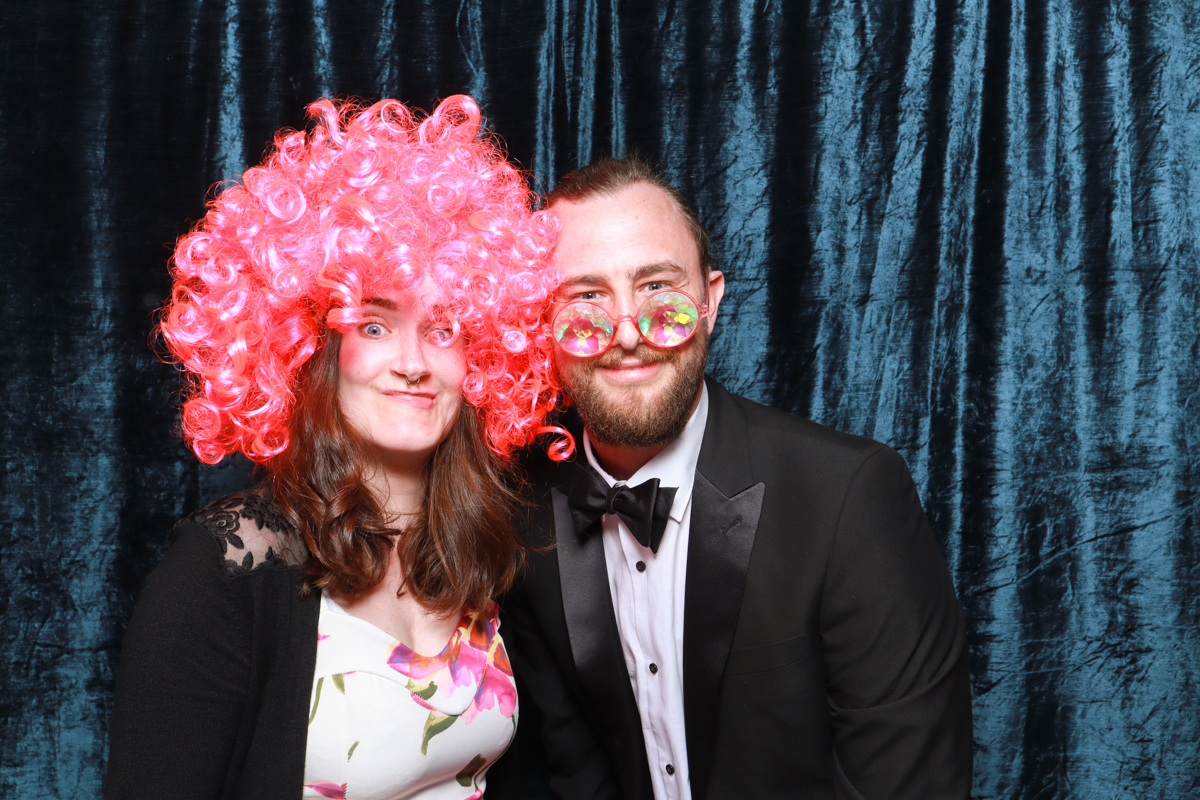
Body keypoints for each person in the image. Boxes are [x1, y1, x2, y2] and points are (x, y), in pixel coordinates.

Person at [104, 96, 565, 800]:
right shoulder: (226, 566)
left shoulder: (480, 550)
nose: (413, 362)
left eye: (443, 328)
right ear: (313, 348)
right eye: (375, 327)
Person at [486, 156, 974, 800]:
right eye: (585, 299)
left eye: (659, 288)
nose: (628, 333)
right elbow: (577, 768)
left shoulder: (849, 495)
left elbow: (909, 783)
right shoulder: (524, 515)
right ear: (539, 326)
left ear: (710, 301)